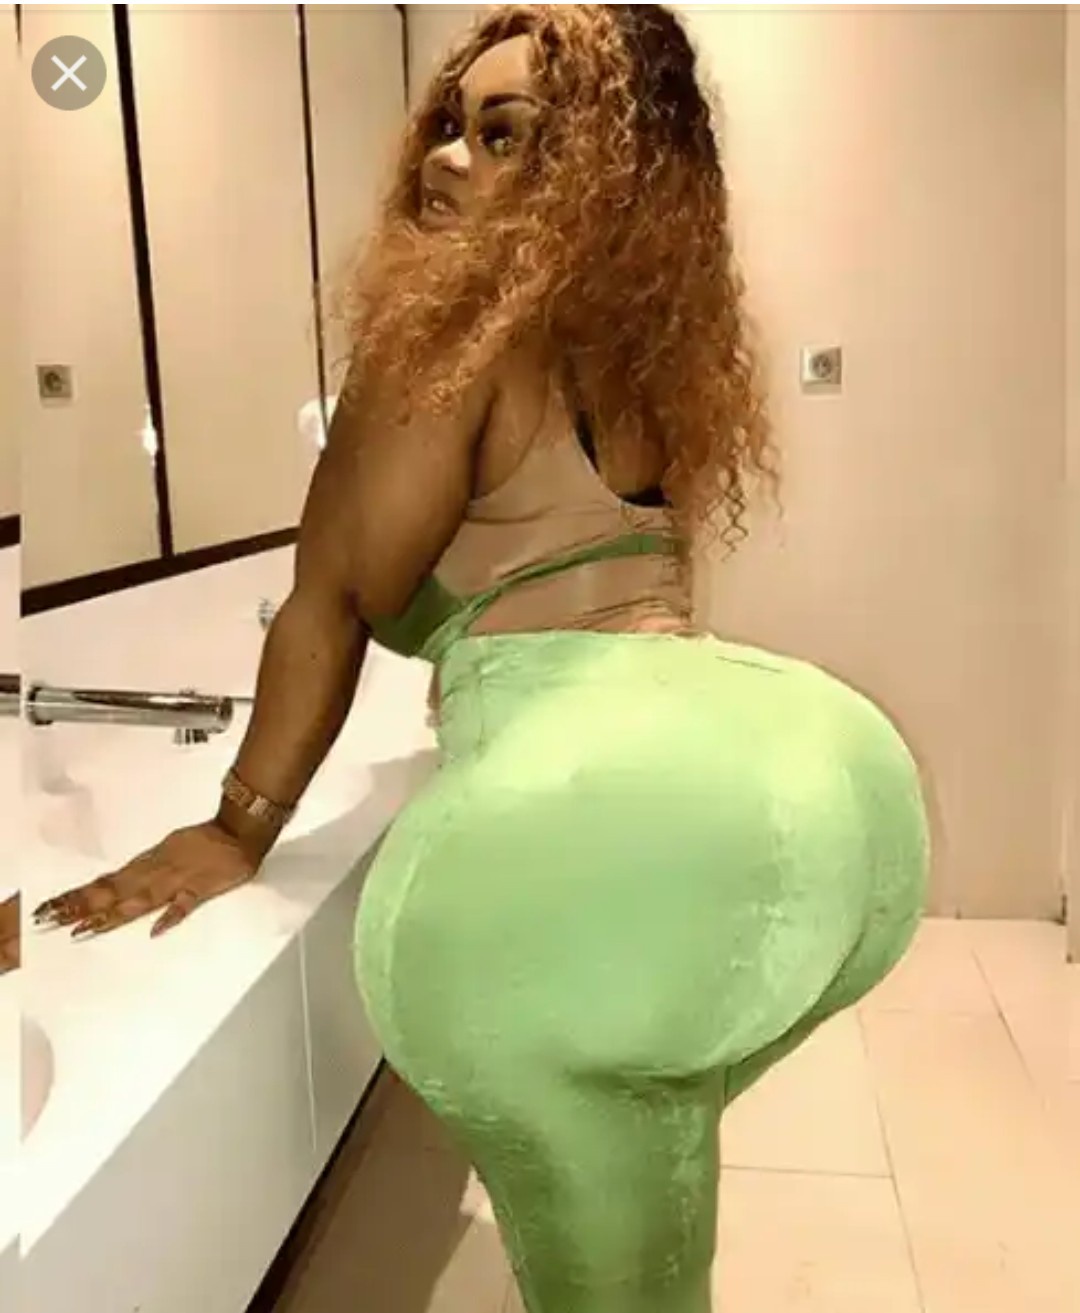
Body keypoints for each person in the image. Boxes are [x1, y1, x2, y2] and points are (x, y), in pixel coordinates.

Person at [34, 7, 930, 1310]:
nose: (447, 158)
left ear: (597, 169)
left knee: (598, 1257)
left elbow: (329, 601)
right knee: (657, 1186)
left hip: (562, 809)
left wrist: (238, 827)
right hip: (827, 783)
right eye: (448, 126)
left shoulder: (450, 339)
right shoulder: (654, 353)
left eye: (504, 135)